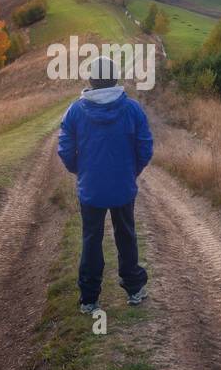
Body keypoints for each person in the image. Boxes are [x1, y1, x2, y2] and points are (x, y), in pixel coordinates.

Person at [56, 54, 154, 314]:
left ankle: (89, 300)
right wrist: (132, 172)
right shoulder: (132, 109)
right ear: (114, 78)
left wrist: (80, 171)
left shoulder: (75, 111)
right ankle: (134, 290)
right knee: (126, 235)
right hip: (123, 187)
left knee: (91, 239)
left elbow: (65, 150)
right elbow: (145, 148)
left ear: (92, 79)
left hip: (91, 189)